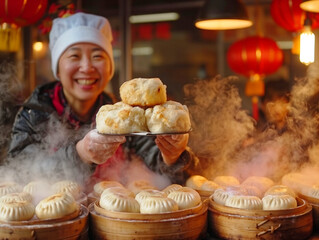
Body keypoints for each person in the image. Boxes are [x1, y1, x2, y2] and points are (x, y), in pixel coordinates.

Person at [6, 12, 198, 190]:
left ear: (109, 67)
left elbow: (164, 172)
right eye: (74, 56)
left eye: (97, 56)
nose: (87, 67)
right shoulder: (33, 114)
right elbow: (19, 172)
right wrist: (80, 154)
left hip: (114, 219)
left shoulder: (126, 117)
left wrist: (172, 156)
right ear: (58, 66)